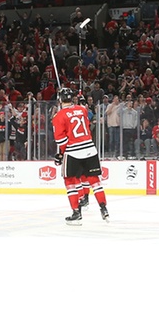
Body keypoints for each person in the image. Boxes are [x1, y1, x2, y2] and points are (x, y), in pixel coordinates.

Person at [51, 87, 109, 225]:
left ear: (59, 99)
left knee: (69, 181)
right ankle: (104, 208)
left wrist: (62, 153)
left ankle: (76, 213)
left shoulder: (58, 116)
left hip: (73, 150)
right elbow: (85, 120)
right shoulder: (82, 110)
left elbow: (61, 140)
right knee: (94, 180)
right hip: (90, 147)